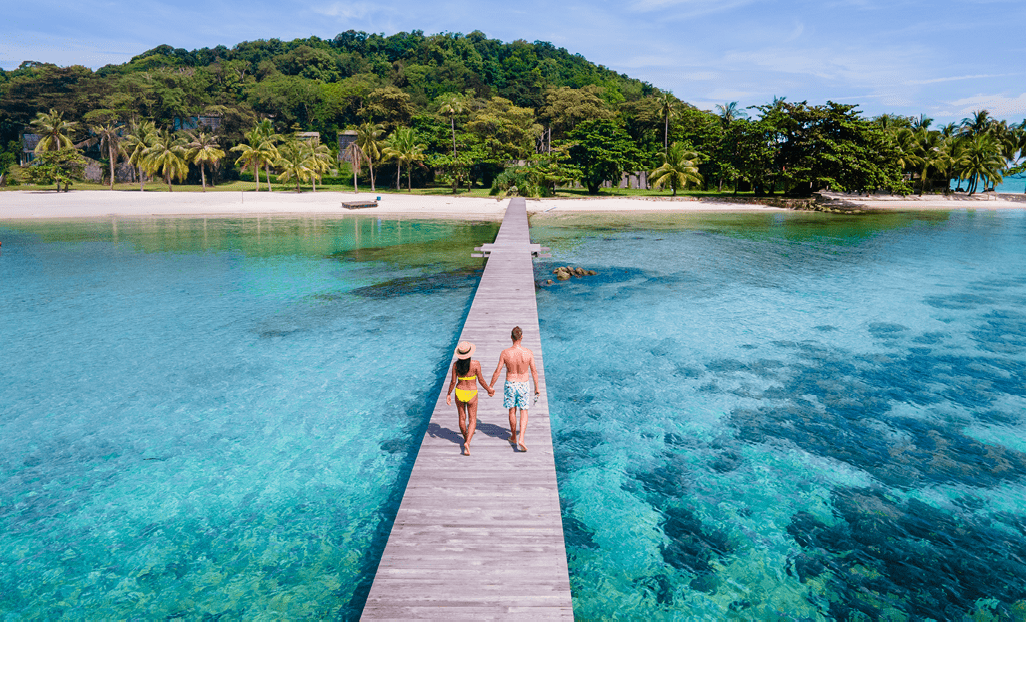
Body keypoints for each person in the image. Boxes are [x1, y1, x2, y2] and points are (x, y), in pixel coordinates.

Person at [490, 326, 539, 452]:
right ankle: (521, 438)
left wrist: (491, 386)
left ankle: (513, 436)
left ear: (511, 337)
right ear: (521, 337)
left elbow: (498, 370)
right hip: (524, 384)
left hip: (510, 383)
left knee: (512, 411)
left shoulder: (505, 353)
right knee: (524, 410)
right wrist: (536, 388)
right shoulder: (528, 353)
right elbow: (534, 371)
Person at [446, 341, 494, 455]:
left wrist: (448, 394)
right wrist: (489, 390)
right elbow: (481, 380)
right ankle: (468, 442)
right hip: (472, 393)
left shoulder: (455, 365)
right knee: (472, 419)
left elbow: (453, 381)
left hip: (459, 392)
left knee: (462, 418)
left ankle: (465, 438)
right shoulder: (476, 364)